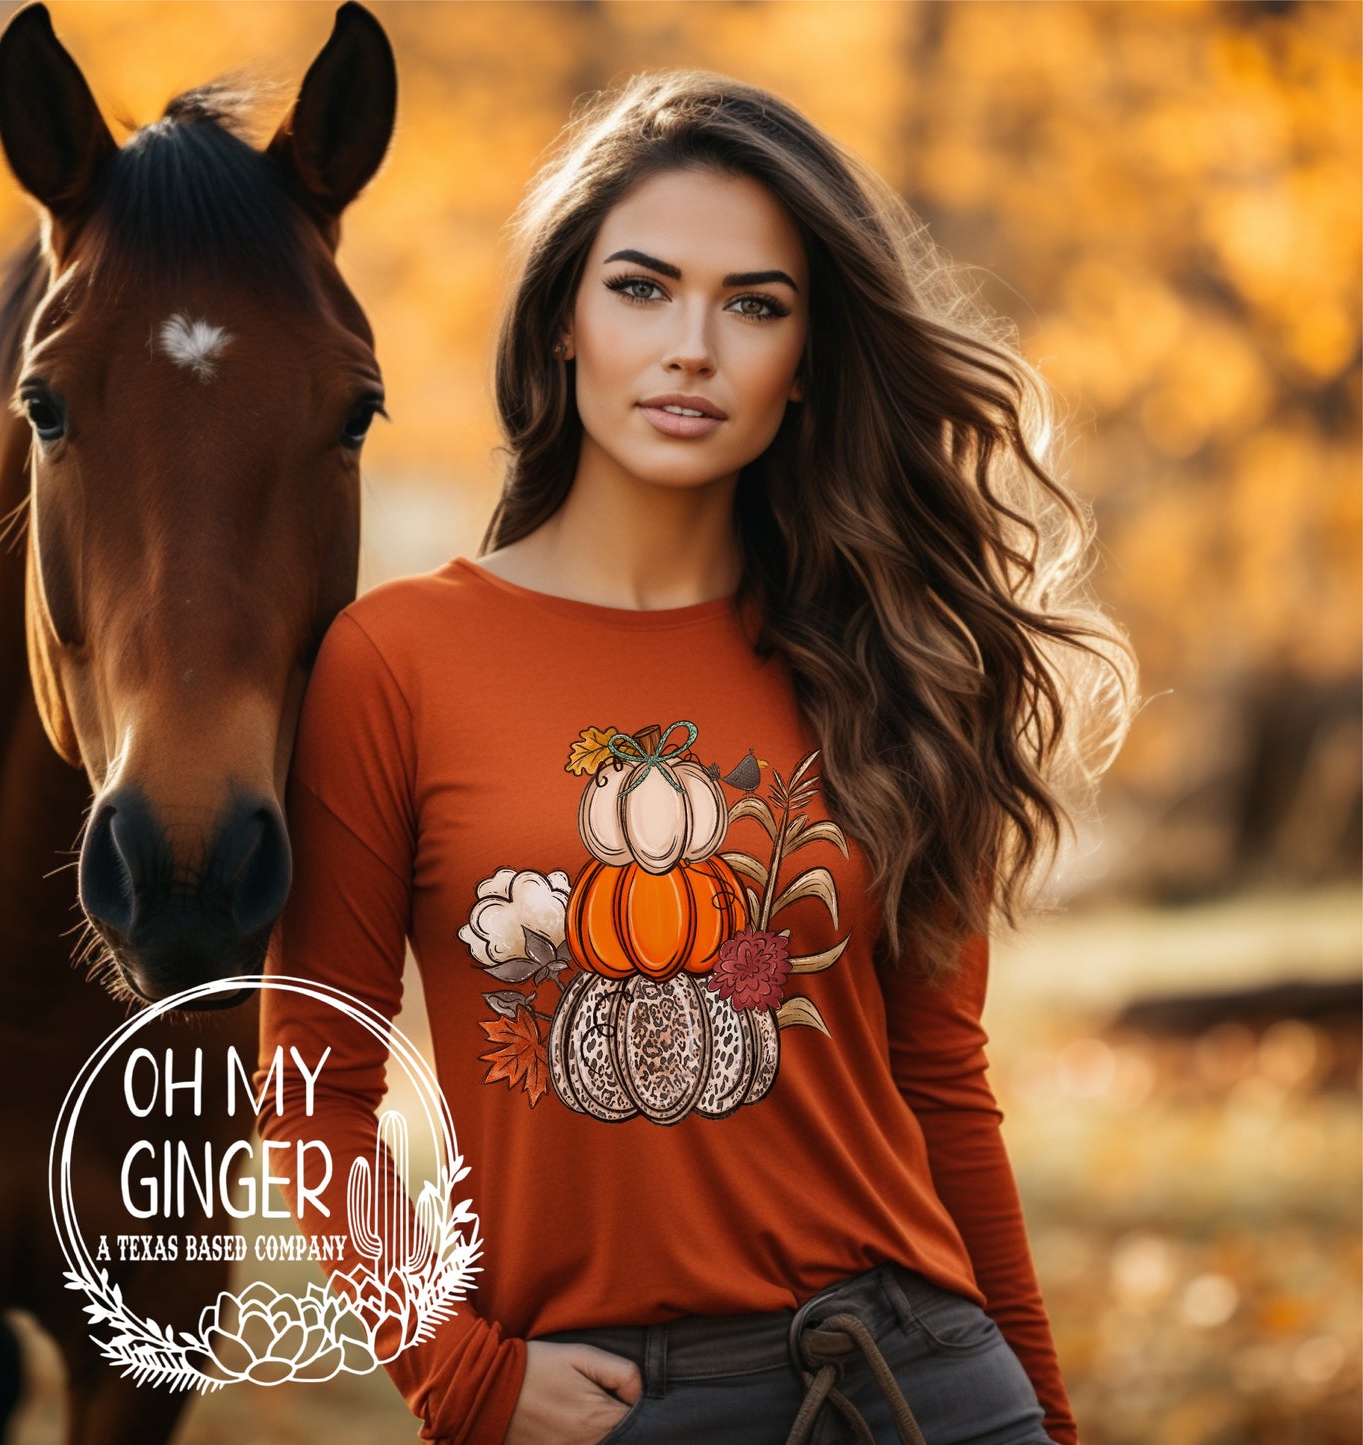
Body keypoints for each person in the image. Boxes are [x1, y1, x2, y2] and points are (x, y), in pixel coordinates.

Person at [257, 70, 1138, 1445]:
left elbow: (942, 1087)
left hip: (921, 1380)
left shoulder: (888, 659)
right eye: (642, 288)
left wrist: (1045, 1413)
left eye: (755, 305)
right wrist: (456, 1366)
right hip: (600, 1404)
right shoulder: (395, 661)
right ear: (561, 319)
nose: (692, 347)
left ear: (807, 363)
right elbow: (312, 1085)